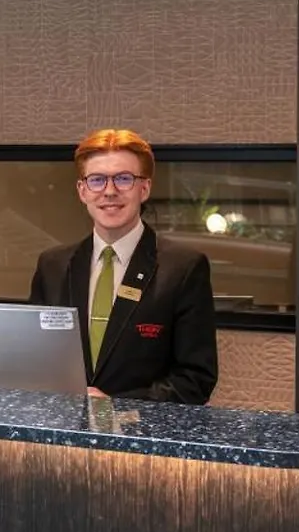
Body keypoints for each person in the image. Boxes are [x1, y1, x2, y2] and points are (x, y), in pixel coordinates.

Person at [28, 129, 218, 403]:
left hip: (137, 428)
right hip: (62, 425)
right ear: (82, 191)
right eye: (97, 180)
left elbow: (195, 380)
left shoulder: (184, 268)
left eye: (124, 179)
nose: (109, 191)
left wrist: (114, 407)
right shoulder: (52, 266)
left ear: (145, 188)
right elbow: (36, 357)